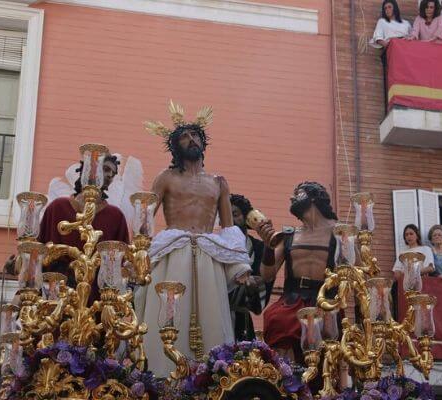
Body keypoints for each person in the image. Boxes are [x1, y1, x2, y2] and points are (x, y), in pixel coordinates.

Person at [135, 103, 252, 377]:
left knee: (213, 315)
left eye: (196, 135)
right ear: (175, 146)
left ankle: (212, 377)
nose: (192, 140)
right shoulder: (165, 178)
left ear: (203, 142)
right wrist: (138, 254)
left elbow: (227, 227)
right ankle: (162, 375)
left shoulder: (219, 182)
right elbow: (145, 219)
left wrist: (239, 268)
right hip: (173, 252)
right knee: (165, 314)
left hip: (208, 253)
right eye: (185, 137)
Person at [256, 182, 338, 361]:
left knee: (325, 334)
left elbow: (353, 269)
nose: (291, 198)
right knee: (277, 319)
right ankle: (288, 380)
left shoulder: (339, 233)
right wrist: (268, 247)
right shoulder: (289, 235)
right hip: (292, 300)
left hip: (325, 302)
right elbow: (267, 275)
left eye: (298, 194)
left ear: (314, 197)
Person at [37, 154, 130, 304]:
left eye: (113, 173)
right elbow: (39, 250)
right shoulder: (57, 207)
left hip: (96, 297)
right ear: (89, 170)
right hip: (57, 292)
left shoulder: (115, 216)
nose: (109, 175)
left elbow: (121, 262)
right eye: (106, 169)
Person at [228, 193, 273, 341]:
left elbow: (265, 281)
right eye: (226, 215)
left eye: (235, 214)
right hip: (219, 316)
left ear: (246, 217)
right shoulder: (217, 246)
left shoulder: (259, 247)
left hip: (243, 321)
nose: (232, 220)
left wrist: (253, 284)